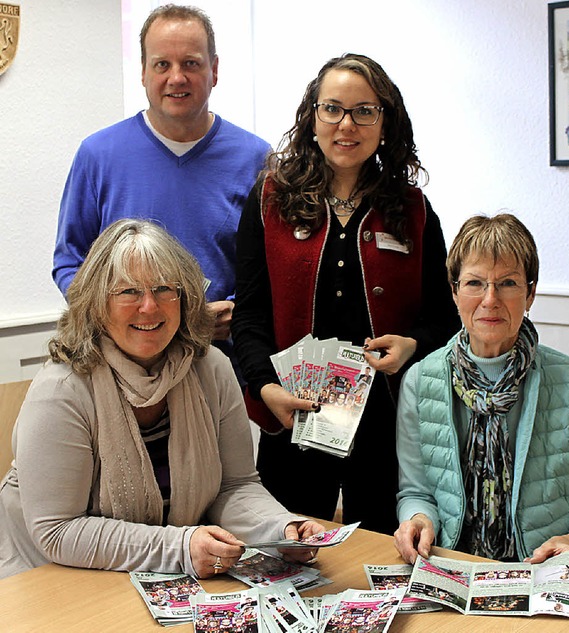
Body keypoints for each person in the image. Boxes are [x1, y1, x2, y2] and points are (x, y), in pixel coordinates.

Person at [0, 219, 323, 581]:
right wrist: (180, 548)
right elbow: (58, 531)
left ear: (184, 298)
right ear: (95, 303)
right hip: (44, 578)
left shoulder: (210, 368)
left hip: (150, 576)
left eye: (164, 289)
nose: (150, 307)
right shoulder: (62, 389)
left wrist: (281, 529)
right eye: (128, 292)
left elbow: (235, 486)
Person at [232, 53, 460, 535]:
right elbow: (249, 317)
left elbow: (445, 317)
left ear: (384, 121)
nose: (346, 124)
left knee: (383, 560)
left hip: (387, 423)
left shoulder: (413, 210)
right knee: (286, 555)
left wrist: (412, 345)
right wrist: (264, 387)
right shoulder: (269, 200)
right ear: (312, 116)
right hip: (295, 416)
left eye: (364, 111)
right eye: (332, 108)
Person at [393, 213, 569, 581]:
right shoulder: (420, 380)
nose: (490, 299)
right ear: (453, 292)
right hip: (452, 569)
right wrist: (418, 520)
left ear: (530, 293)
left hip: (544, 573)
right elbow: (416, 493)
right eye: (474, 283)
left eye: (508, 283)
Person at [52, 4, 269, 346]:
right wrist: (113, 312)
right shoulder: (98, 155)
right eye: (162, 64)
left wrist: (240, 309)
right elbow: (70, 262)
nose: (176, 77)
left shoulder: (256, 158)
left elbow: (274, 265)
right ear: (143, 72)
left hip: (224, 363)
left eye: (191, 63)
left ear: (214, 70)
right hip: (124, 368)